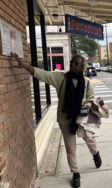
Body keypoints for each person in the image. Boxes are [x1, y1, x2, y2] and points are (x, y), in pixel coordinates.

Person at [11, 53, 102, 188]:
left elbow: (91, 97)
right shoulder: (61, 78)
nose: (72, 64)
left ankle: (95, 154)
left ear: (82, 67)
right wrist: (23, 65)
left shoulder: (87, 82)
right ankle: (75, 173)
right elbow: (42, 74)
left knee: (90, 139)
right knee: (70, 147)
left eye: (76, 63)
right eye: (72, 62)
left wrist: (87, 105)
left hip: (82, 118)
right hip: (66, 119)